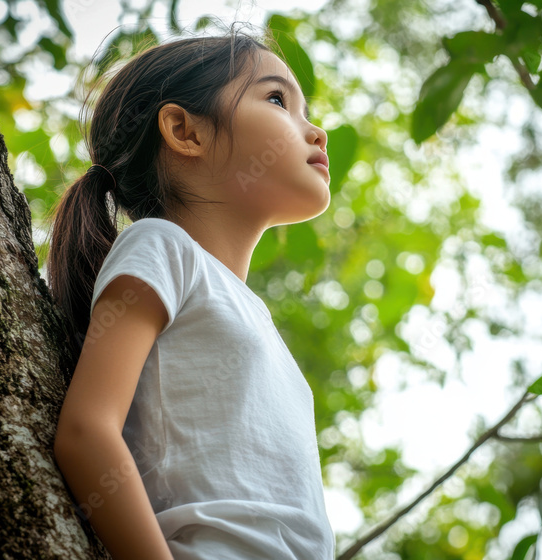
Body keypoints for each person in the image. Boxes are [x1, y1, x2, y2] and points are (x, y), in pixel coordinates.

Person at [47, 27, 334, 560]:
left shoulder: (252, 315)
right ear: (185, 131)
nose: (317, 131)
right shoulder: (162, 246)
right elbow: (87, 432)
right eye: (277, 100)